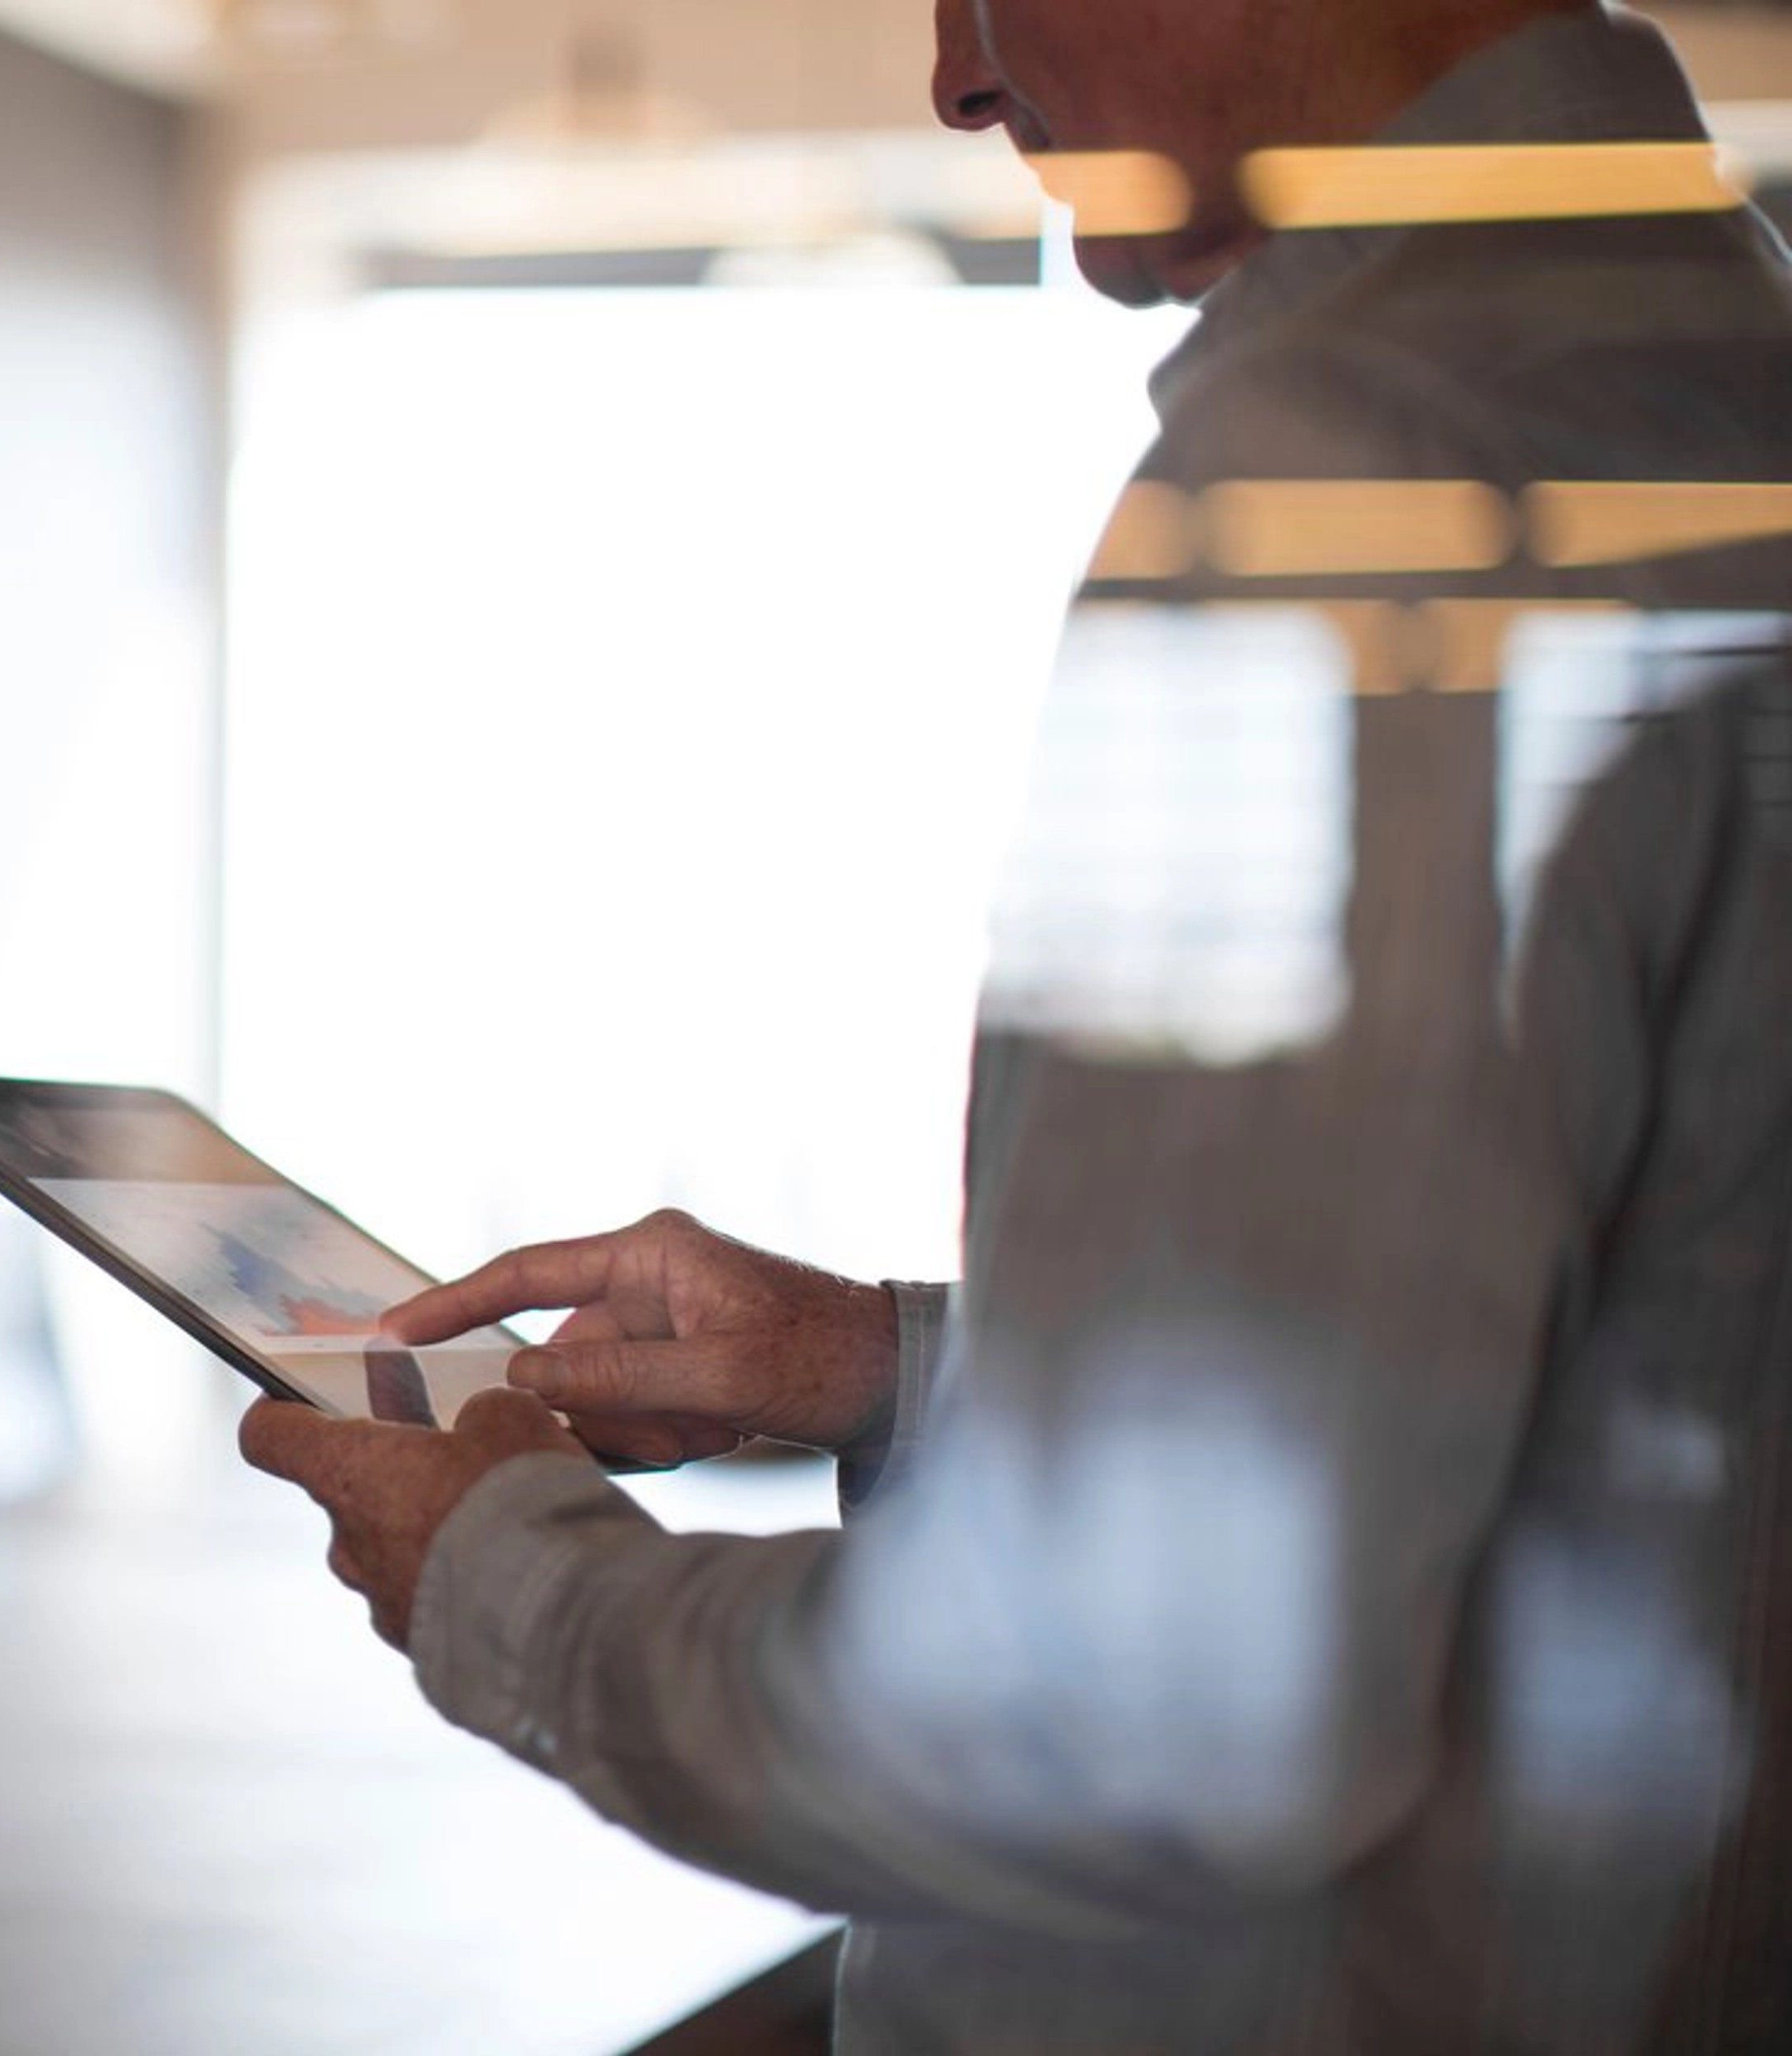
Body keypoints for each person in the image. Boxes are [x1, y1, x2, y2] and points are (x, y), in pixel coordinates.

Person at [242, 2, 1792, 2049]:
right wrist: (883, 1367)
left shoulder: (1373, 460)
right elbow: (1631, 1376)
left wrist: (507, 1578)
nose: (956, 76)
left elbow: (1143, 1691)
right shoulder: (1717, 359)